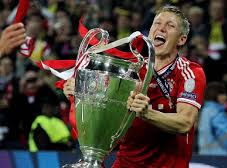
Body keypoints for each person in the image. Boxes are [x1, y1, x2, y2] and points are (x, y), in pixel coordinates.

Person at [63, 5, 206, 168]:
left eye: (170, 25)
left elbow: (185, 123)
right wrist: (81, 92)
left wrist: (147, 113)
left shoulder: (190, 72)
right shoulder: (130, 70)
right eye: (157, 23)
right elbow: (103, 108)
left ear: (181, 39)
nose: (161, 29)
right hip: (126, 163)